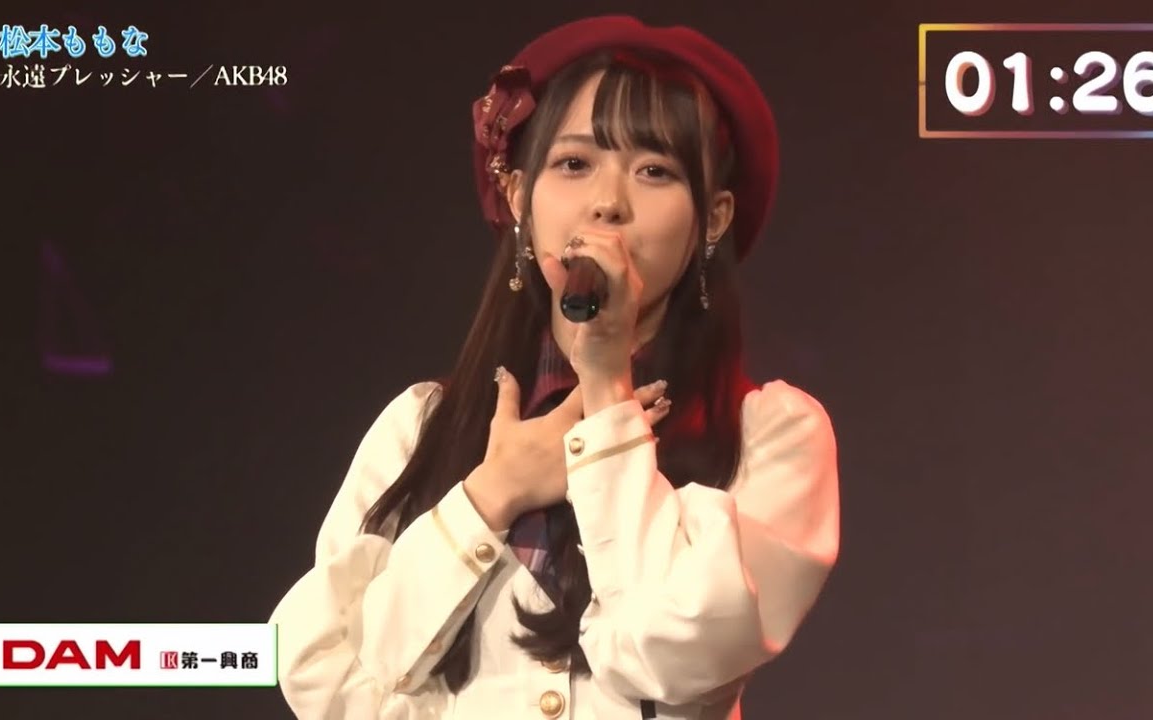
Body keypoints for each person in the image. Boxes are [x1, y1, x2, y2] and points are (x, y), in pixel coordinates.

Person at [269, 14, 840, 720]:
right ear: (518, 197)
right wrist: (491, 494)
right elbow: (328, 673)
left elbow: (676, 654)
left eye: (655, 171)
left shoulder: (772, 434)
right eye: (574, 165)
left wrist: (607, 391)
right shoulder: (422, 426)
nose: (608, 203)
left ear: (713, 218)